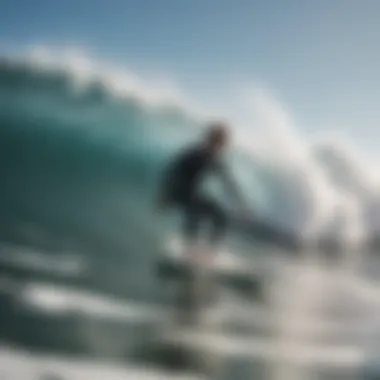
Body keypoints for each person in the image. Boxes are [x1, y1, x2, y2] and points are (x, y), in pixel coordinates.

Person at [157, 121, 247, 262]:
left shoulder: (214, 160)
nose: (220, 147)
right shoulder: (194, 154)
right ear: (210, 140)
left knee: (221, 216)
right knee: (196, 210)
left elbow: (228, 182)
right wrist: (164, 195)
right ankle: (189, 250)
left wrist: (242, 203)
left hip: (193, 195)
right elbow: (172, 171)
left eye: (222, 144)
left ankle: (210, 253)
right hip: (178, 192)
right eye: (218, 142)